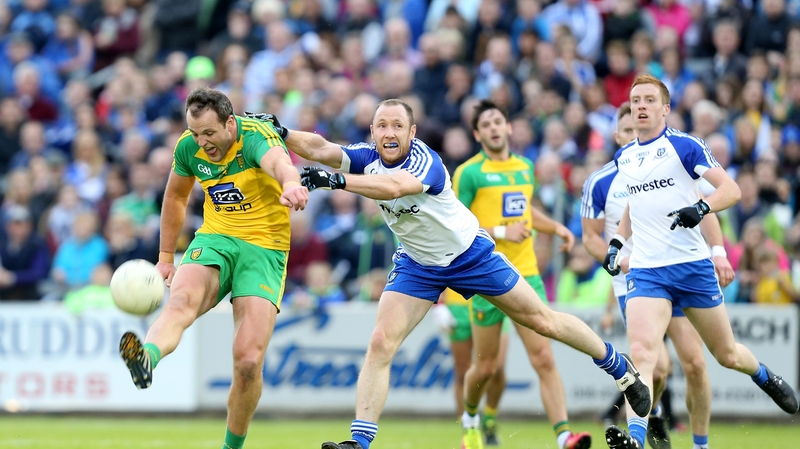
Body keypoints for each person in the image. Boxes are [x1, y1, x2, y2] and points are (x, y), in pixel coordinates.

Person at [258, 98, 652, 449]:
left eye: (398, 126)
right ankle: (360, 441)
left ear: (412, 132)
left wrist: (338, 181)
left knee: (542, 321)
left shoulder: (424, 161)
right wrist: (283, 132)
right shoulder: (366, 156)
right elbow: (323, 148)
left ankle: (619, 367)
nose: (389, 132)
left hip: (469, 256)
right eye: (382, 126)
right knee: (380, 341)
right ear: (373, 131)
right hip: (418, 263)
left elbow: (395, 188)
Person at [600, 75, 799, 449]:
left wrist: (701, 209)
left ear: (665, 108)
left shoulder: (685, 146)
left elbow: (732, 190)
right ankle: (637, 440)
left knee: (724, 355)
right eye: (635, 100)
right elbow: (634, 205)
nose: (640, 106)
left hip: (692, 267)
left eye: (648, 100)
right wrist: (615, 242)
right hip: (647, 271)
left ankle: (761, 375)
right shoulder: (625, 157)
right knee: (642, 354)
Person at [118, 87, 308, 449]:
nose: (202, 142)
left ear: (230, 123)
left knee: (249, 361)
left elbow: (280, 164)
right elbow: (175, 196)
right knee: (180, 302)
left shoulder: (255, 137)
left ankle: (231, 447)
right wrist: (165, 258)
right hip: (216, 237)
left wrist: (292, 184)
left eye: (209, 133)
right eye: (195, 133)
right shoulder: (188, 148)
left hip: (264, 249)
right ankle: (147, 357)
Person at [582, 102, 736, 449]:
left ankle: (689, 438)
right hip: (635, 281)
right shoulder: (601, 181)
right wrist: (617, 258)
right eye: (626, 130)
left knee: (695, 363)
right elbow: (591, 238)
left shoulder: (665, 161)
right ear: (617, 135)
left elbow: (704, 204)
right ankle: (646, 426)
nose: (634, 135)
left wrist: (718, 250)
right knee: (656, 364)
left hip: (679, 270)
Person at [452, 99, 591, 449]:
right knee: (485, 369)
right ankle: (470, 417)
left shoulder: (525, 166)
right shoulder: (469, 173)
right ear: (477, 134)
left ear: (509, 127)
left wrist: (555, 227)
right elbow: (453, 223)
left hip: (526, 274)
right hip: (484, 277)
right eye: (486, 124)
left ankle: (564, 437)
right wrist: (499, 233)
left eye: (499, 121)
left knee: (543, 357)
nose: (494, 128)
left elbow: (524, 210)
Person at [432, 289, 508, 446]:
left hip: (492, 298)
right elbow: (437, 265)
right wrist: (438, 304)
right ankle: (469, 430)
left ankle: (489, 420)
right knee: (463, 371)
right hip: (458, 304)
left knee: (496, 367)